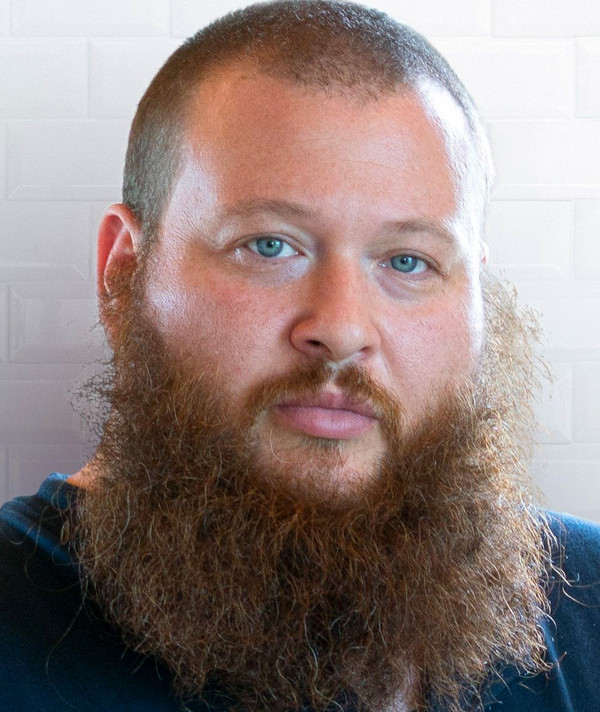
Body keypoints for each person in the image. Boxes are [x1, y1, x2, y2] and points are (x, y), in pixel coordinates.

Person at [1, 1, 599, 711]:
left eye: (408, 261)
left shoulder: (586, 607)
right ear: (124, 275)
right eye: (269, 247)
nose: (341, 329)